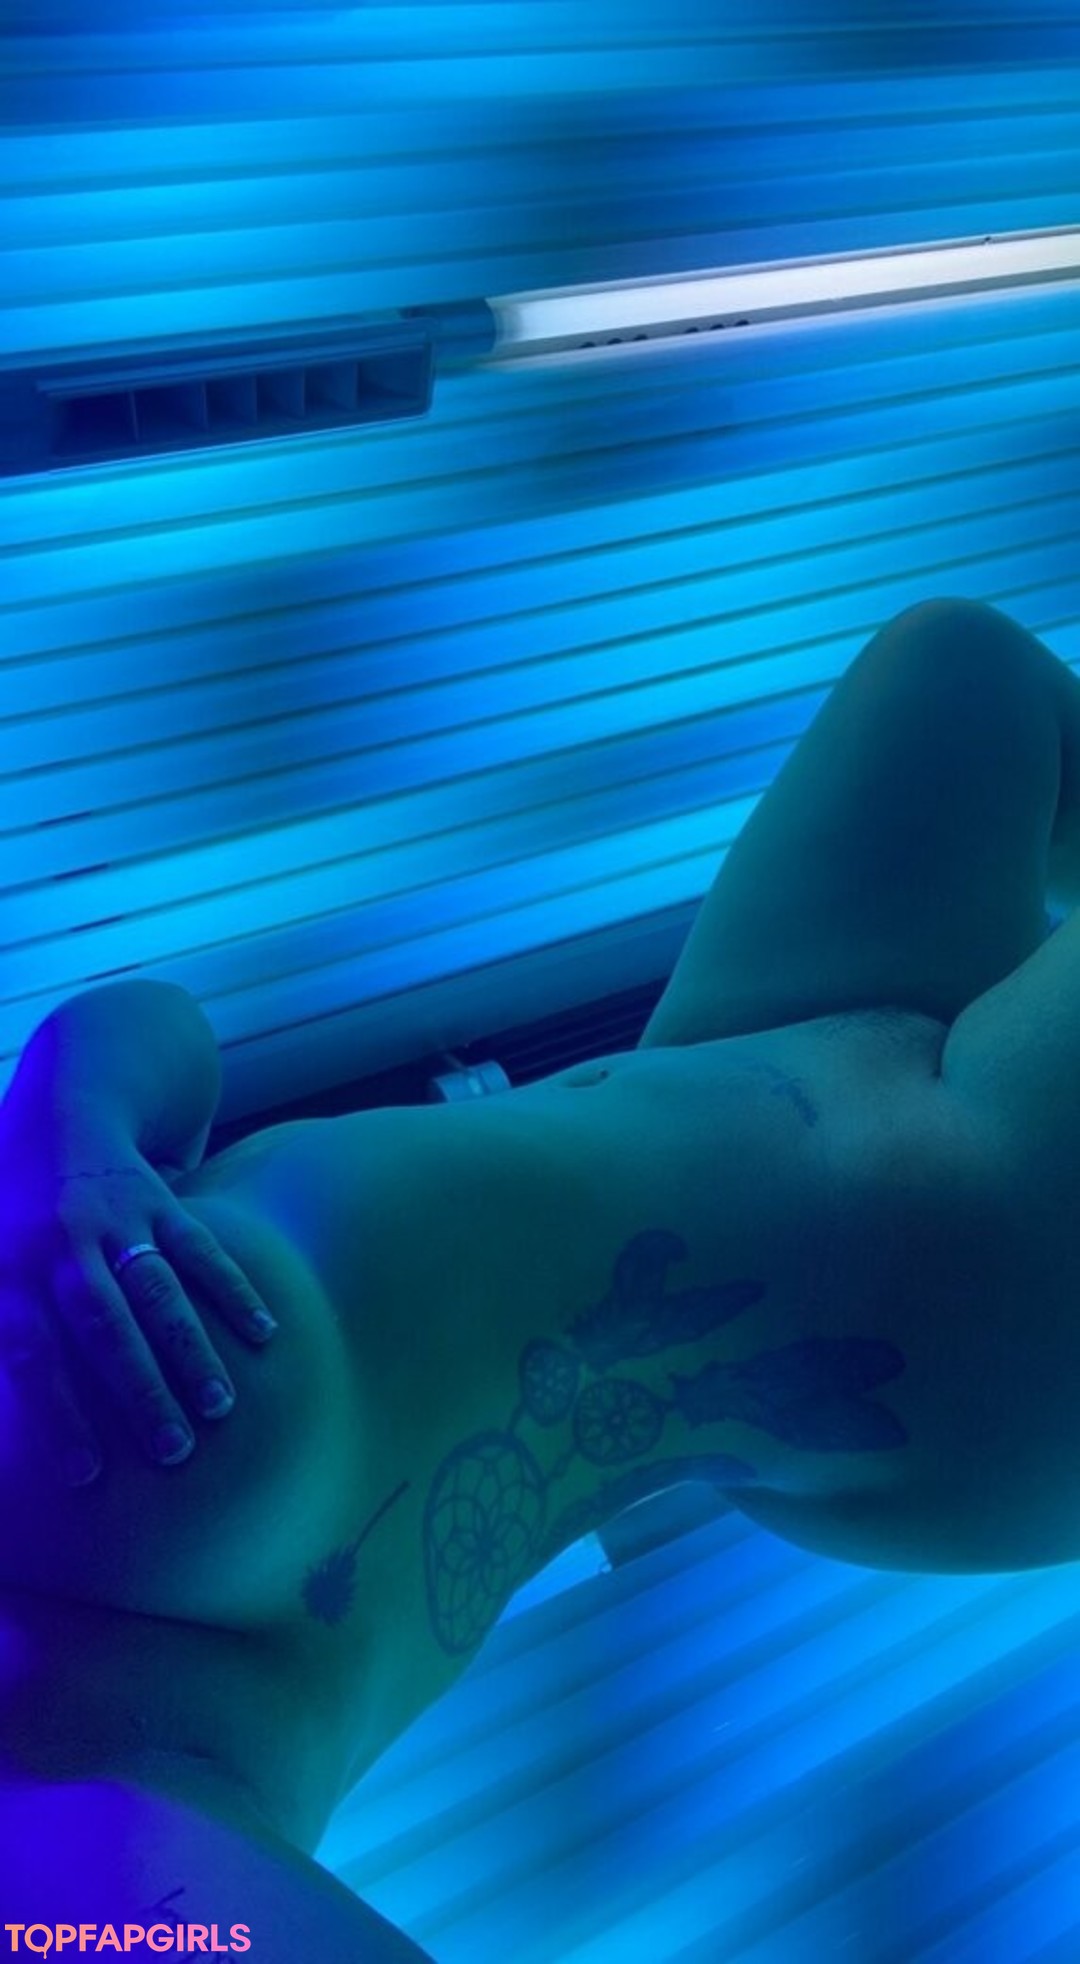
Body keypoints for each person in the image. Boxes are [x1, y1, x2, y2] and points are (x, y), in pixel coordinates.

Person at [2, 594, 1079, 1956]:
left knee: (959, 668)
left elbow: (162, 1030)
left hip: (751, 1051)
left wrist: (63, 1135)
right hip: (938, 1283)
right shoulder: (70, 1801)